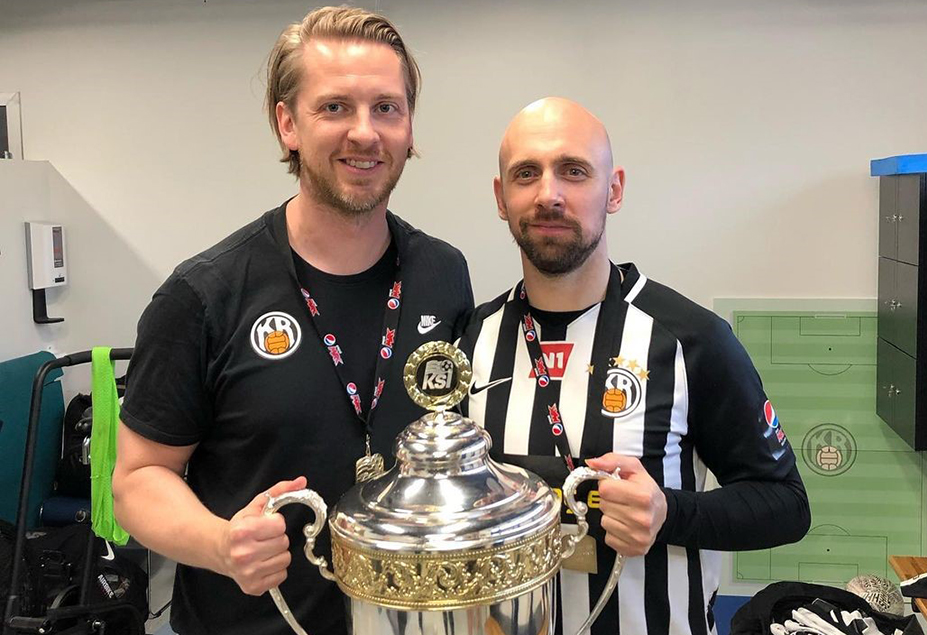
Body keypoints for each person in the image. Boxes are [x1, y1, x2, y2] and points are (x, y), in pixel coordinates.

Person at [112, 7, 473, 634]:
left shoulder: (443, 273)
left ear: (410, 127)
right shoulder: (204, 295)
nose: (365, 133)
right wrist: (223, 544)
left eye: (387, 108)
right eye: (335, 107)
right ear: (288, 124)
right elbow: (138, 478)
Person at [461, 97, 810, 635]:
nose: (549, 194)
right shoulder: (467, 342)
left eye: (574, 171)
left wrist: (669, 512)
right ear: (501, 197)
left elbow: (785, 505)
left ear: (614, 189)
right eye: (526, 173)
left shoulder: (691, 339)